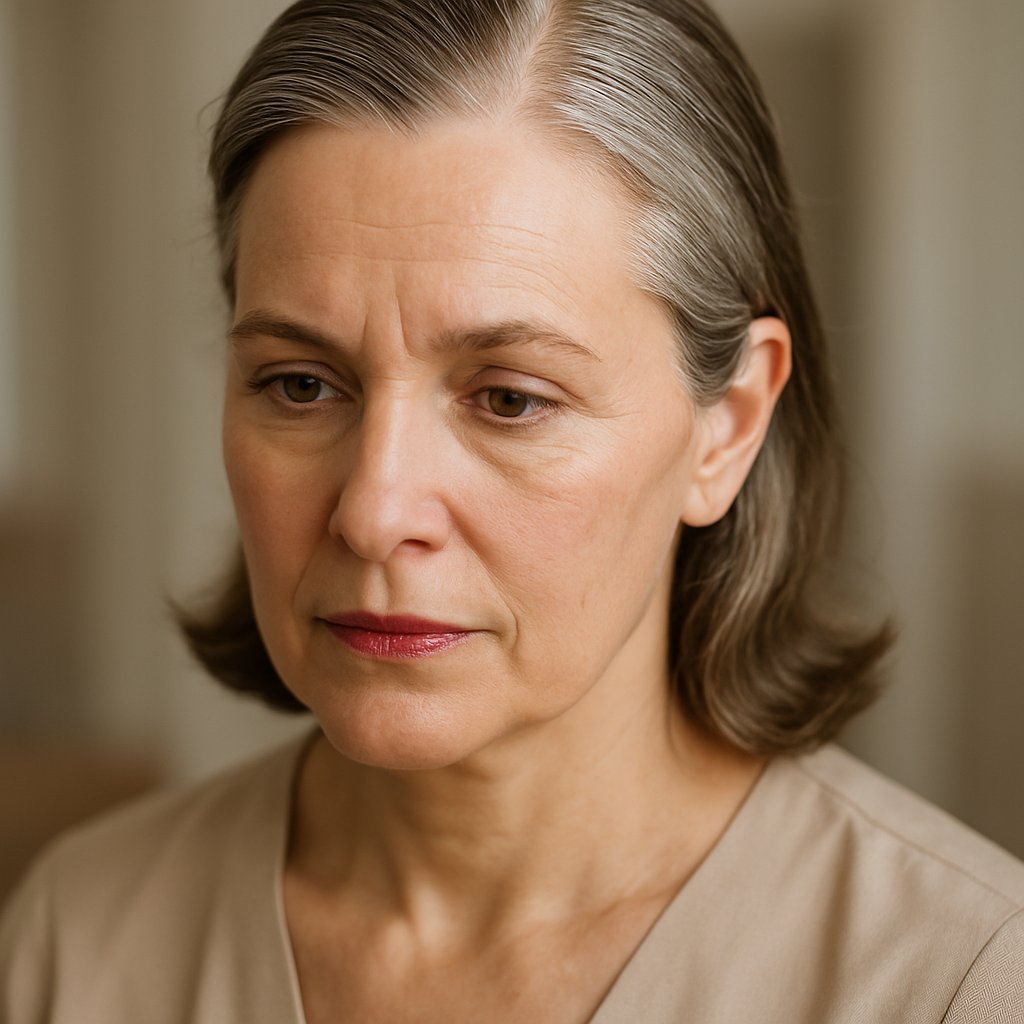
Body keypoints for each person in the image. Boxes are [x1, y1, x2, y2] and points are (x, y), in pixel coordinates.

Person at [2, 0, 1022, 1020]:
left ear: (729, 423)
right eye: (300, 384)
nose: (373, 510)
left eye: (509, 399)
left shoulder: (957, 980)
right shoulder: (81, 937)